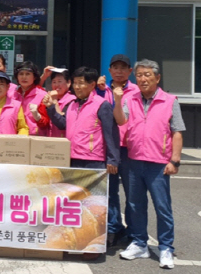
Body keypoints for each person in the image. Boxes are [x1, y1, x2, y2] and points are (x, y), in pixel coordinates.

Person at [116, 60, 185, 270]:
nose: (143, 79)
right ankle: (139, 243)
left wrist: (174, 160)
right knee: (135, 205)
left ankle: (166, 247)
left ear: (157, 78)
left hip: (158, 163)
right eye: (139, 75)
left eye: (147, 75)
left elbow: (177, 132)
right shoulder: (130, 98)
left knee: (162, 207)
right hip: (134, 160)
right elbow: (120, 121)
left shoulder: (169, 100)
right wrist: (118, 101)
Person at [44, 66, 120, 172]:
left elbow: (111, 133)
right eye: (75, 83)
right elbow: (63, 124)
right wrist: (50, 108)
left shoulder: (101, 104)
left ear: (92, 85)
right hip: (71, 157)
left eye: (80, 83)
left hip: (93, 160)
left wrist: (113, 159)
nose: (77, 87)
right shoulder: (72, 104)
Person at [99, 54, 139, 247]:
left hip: (130, 149)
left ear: (130, 71)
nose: (119, 71)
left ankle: (133, 232)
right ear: (109, 70)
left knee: (132, 194)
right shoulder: (101, 90)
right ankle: (114, 228)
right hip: (108, 147)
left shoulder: (137, 91)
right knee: (110, 192)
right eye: (115, 67)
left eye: (123, 68)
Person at [14, 61, 50, 135]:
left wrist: (37, 116)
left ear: (34, 77)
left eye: (28, 74)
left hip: (35, 137)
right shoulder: (12, 94)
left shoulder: (42, 95)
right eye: (21, 74)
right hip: (15, 137)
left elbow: (46, 122)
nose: (24, 77)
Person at [46, 68, 76, 138]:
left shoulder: (72, 100)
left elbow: (62, 123)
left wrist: (54, 101)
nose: (56, 85)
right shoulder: (49, 98)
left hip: (64, 140)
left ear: (68, 83)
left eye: (59, 81)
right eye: (54, 82)